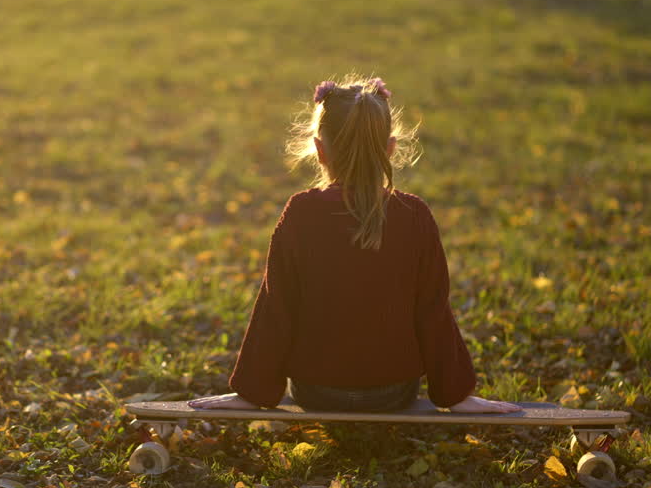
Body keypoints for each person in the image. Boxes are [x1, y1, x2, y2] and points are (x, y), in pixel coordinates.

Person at [189, 76, 519, 414]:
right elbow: (433, 311)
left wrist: (253, 392)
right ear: (390, 148)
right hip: (392, 392)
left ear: (319, 151)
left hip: (316, 391)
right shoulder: (414, 215)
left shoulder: (301, 212)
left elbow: (277, 308)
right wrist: (456, 395)